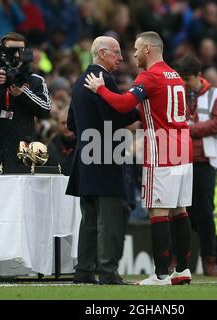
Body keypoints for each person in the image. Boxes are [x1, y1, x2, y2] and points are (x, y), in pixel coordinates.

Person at [85, 31, 193, 285]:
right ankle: (183, 270)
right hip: (183, 149)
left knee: (158, 211)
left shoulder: (149, 76)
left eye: (135, 48)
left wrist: (100, 89)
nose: (132, 54)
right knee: (179, 210)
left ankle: (161, 275)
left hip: (163, 149)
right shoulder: (174, 75)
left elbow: (123, 105)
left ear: (146, 49)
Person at [66, 36, 140, 285]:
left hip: (84, 158)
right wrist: (136, 107)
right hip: (105, 157)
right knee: (109, 220)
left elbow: (70, 123)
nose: (121, 58)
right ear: (101, 54)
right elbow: (116, 115)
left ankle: (84, 272)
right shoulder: (104, 80)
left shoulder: (78, 82)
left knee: (88, 221)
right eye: (116, 53)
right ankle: (108, 273)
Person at [174, 54, 217, 276]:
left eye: (187, 79)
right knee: (177, 213)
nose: (184, 84)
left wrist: (187, 129)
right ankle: (177, 261)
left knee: (205, 213)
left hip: (204, 161)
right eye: (181, 79)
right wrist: (194, 127)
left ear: (199, 76)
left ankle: (209, 261)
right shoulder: (176, 94)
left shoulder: (216, 94)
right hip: (179, 160)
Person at [0, 32, 51, 174]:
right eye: (10, 50)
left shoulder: (35, 80)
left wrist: (23, 93)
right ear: (1, 51)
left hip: (21, 155)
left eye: (20, 50)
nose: (16, 55)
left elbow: (45, 110)